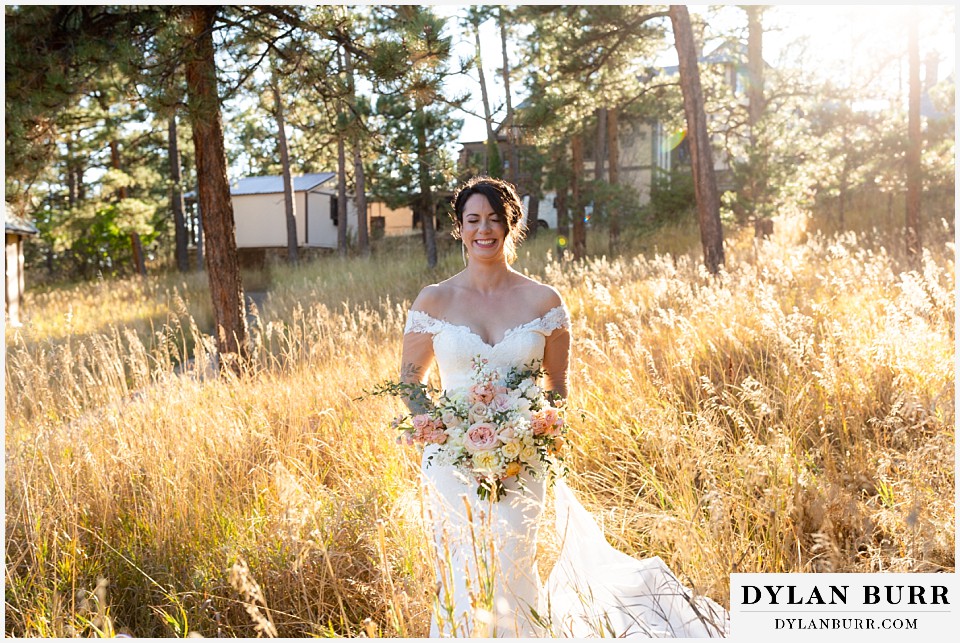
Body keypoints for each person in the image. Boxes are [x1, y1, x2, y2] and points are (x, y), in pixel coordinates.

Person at [400, 176, 728, 638]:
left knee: (513, 563)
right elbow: (411, 383)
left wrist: (535, 434)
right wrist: (438, 429)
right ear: (460, 227)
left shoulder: (544, 301)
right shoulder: (434, 300)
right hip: (450, 463)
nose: (484, 230)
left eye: (495, 219)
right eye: (473, 220)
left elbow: (557, 386)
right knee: (462, 568)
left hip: (523, 459)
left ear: (511, 224)